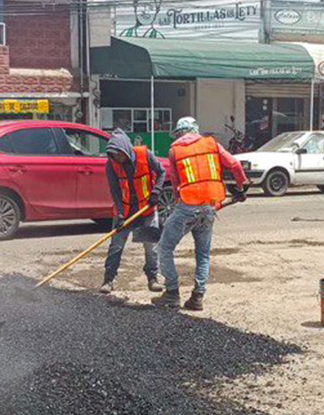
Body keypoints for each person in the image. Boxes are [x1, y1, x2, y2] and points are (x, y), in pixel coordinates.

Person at [152, 116, 248, 311]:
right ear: (195, 130)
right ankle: (197, 297)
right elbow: (235, 166)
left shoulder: (175, 150)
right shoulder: (212, 144)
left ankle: (172, 293)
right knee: (203, 253)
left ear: (179, 133)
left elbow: (177, 183)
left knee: (164, 248)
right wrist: (240, 187)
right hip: (210, 205)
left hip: (187, 204)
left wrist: (179, 205)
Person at [101, 128, 164, 294]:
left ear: (127, 149)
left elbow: (162, 172)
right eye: (114, 155)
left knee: (150, 246)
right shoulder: (112, 165)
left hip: (146, 210)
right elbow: (115, 190)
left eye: (119, 154)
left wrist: (156, 192)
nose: (117, 158)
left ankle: (153, 278)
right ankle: (109, 279)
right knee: (116, 245)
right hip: (126, 211)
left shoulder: (145, 155)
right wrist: (121, 213)